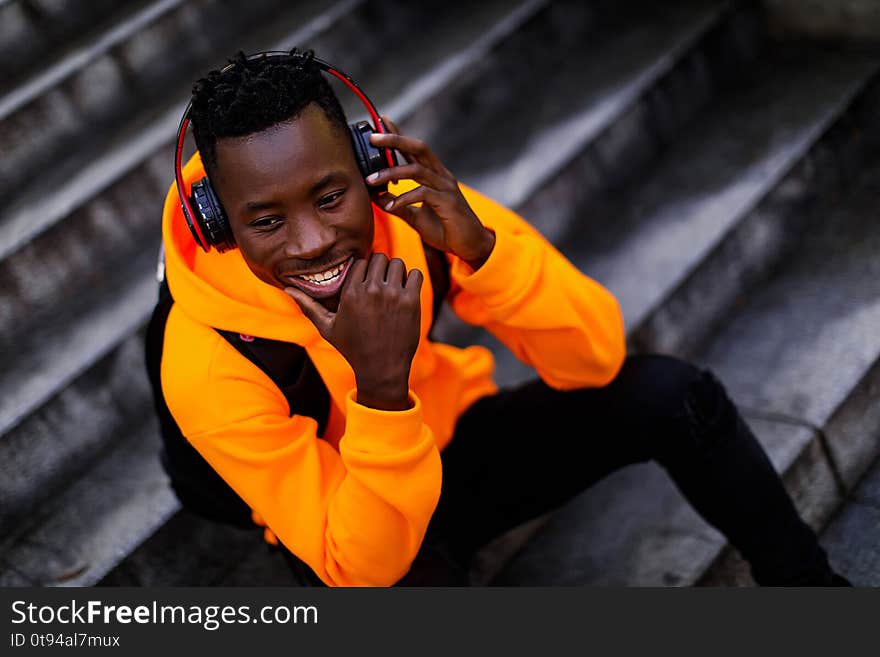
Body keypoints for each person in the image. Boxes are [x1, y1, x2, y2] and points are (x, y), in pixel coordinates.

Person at [146, 49, 849, 587]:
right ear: (219, 223)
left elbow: (596, 355)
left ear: (367, 161)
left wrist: (483, 249)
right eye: (267, 220)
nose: (313, 240)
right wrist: (379, 391)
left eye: (330, 196)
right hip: (347, 525)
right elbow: (360, 563)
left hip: (450, 447)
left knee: (676, 397)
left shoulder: (414, 216)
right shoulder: (210, 359)